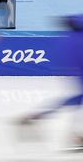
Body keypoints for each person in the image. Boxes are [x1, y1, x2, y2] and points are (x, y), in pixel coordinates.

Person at [17, 15, 83, 150]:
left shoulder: (70, 37)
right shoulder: (78, 39)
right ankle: (76, 136)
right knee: (76, 101)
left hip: (75, 72)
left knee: (76, 101)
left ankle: (38, 116)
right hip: (79, 71)